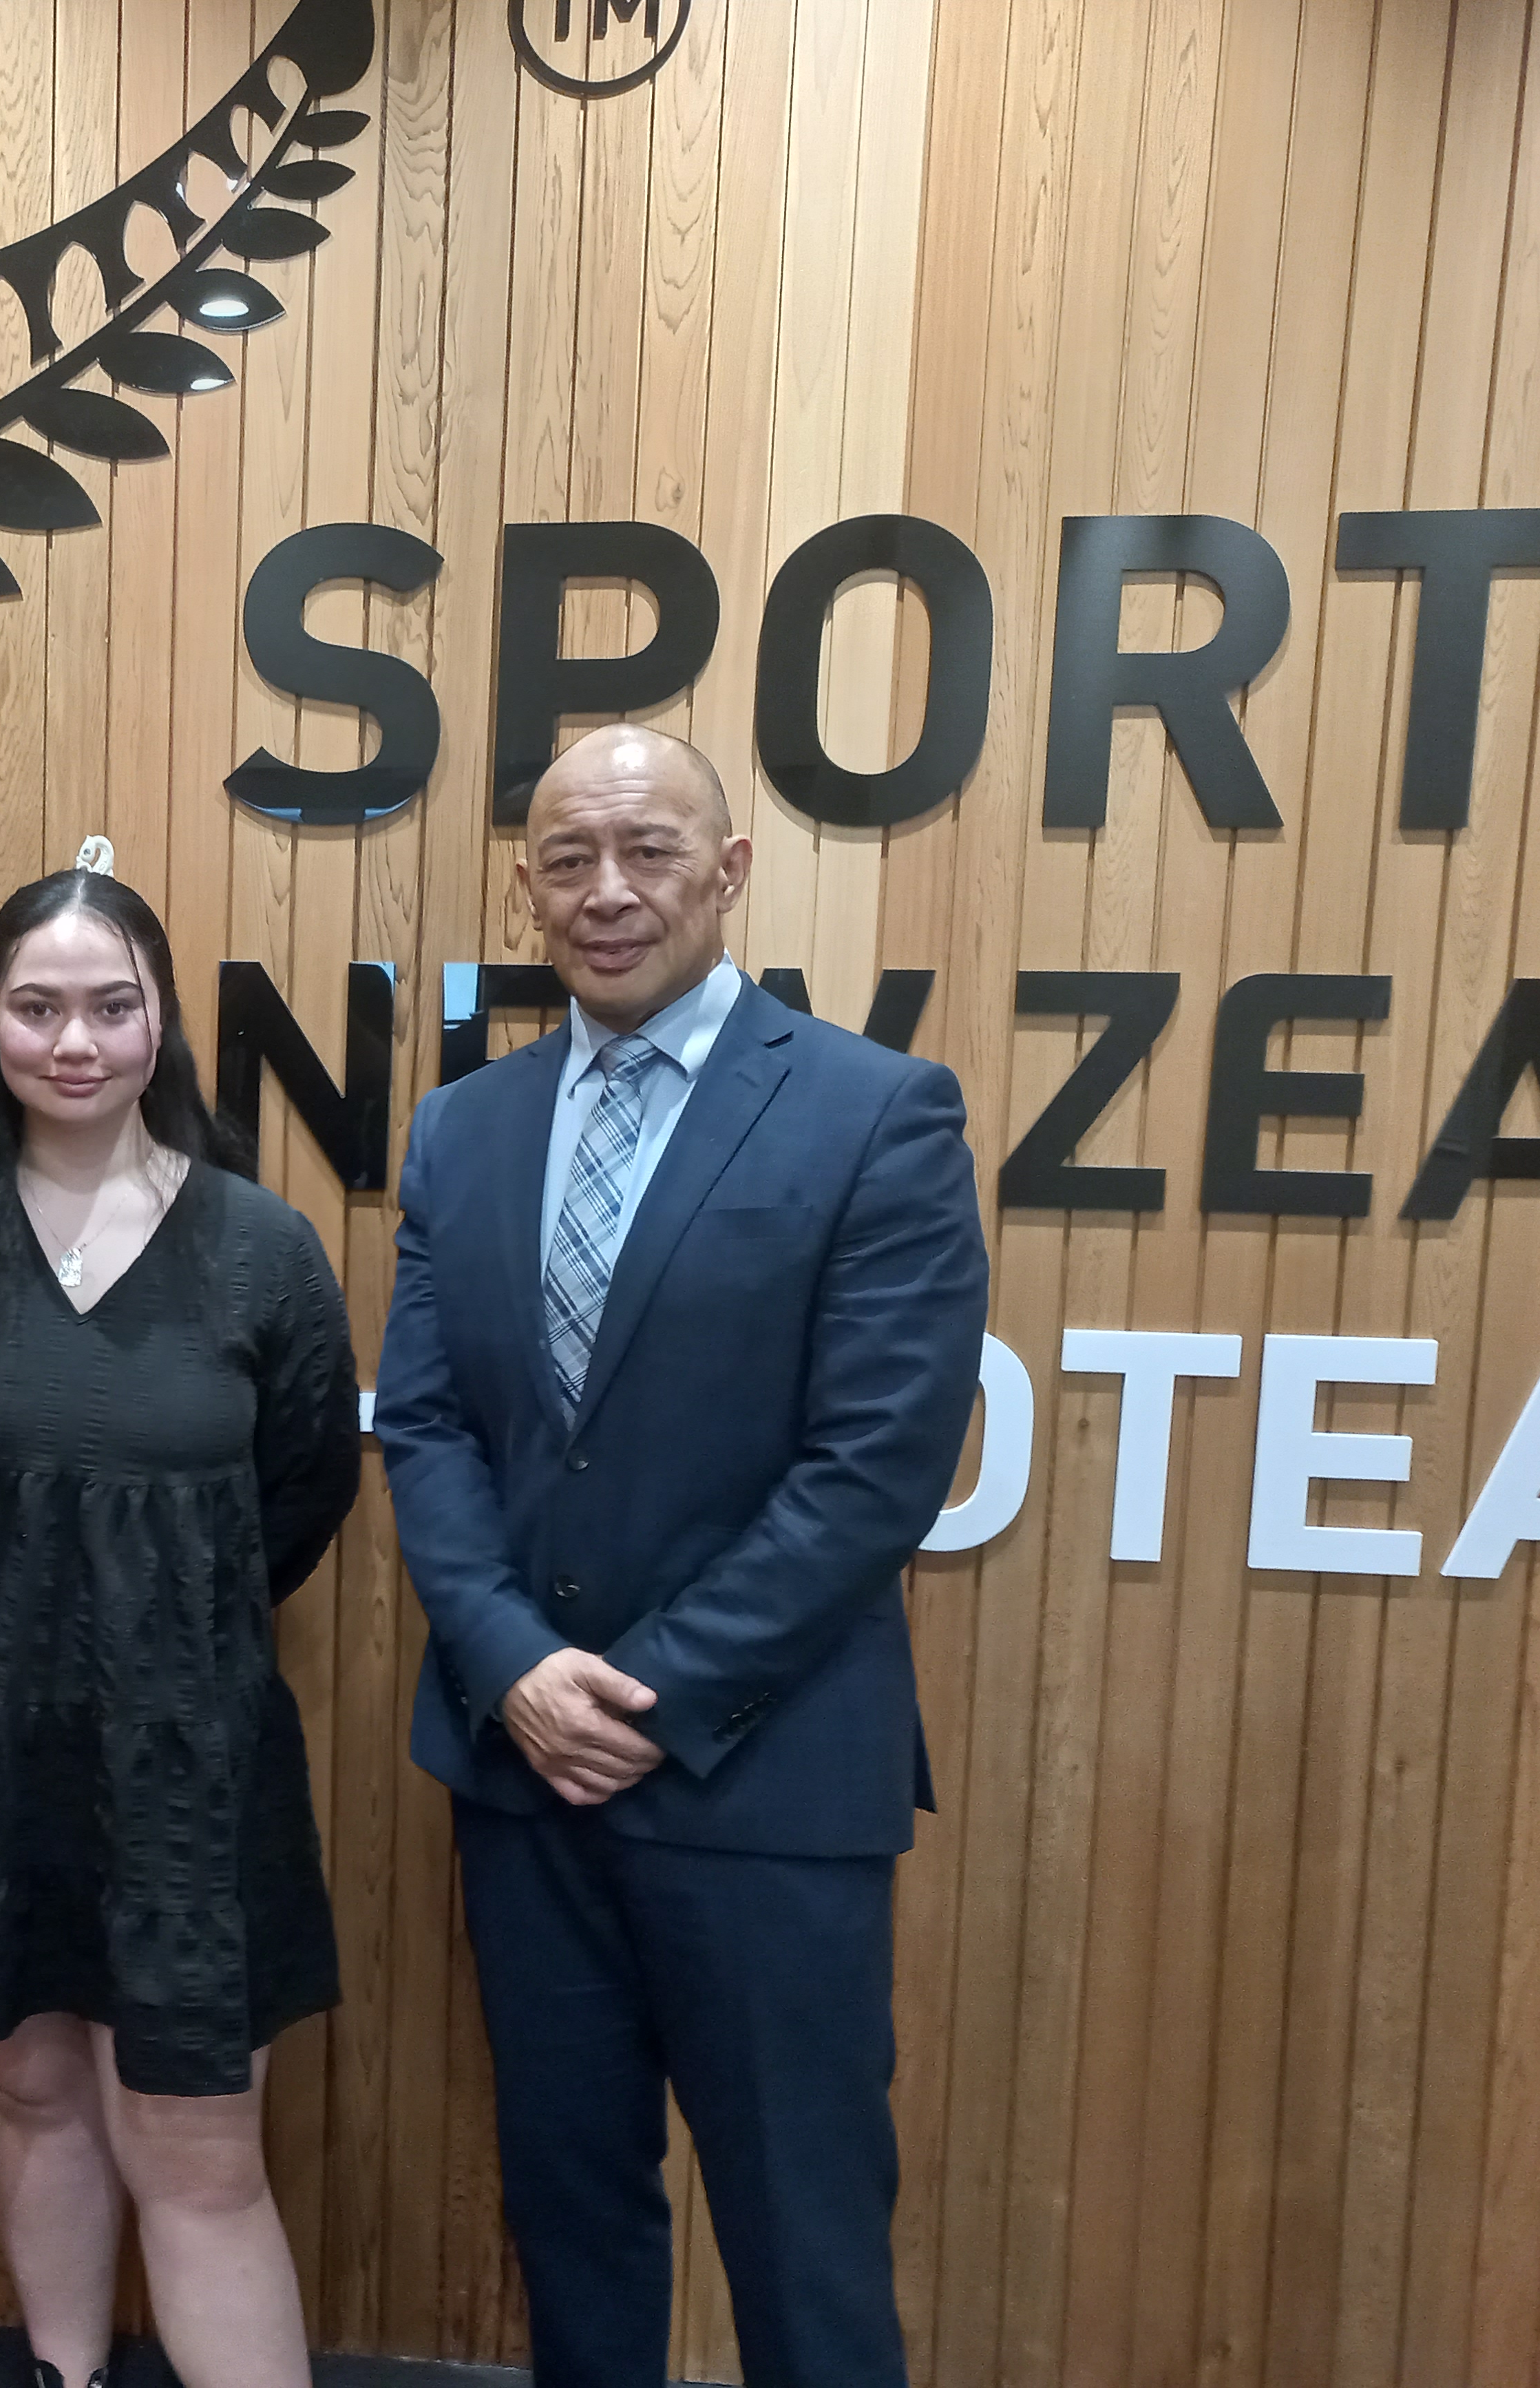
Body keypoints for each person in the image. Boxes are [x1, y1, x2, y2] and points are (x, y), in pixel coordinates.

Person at [372, 724, 989, 2388]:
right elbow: (425, 1431)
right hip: (524, 1782)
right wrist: (510, 1667)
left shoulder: (876, 1113)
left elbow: (876, 1470)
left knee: (803, 2247)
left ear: (725, 873)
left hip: (761, 1780)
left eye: (648, 851)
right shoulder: (464, 1129)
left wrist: (646, 1692)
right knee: (570, 2225)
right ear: (525, 890)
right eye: (568, 858)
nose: (606, 890)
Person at [0, 849, 363, 2388]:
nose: (74, 1040)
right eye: (36, 1006)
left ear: (159, 1023)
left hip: (181, 1774)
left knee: (196, 2149)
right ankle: (65, 2373)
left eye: (111, 1005)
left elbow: (295, 1501)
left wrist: (148, 1629)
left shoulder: (259, 1249)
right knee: (30, 2096)